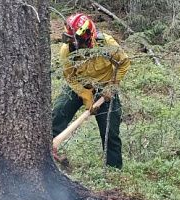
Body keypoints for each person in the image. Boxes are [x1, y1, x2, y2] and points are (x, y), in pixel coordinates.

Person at [52, 13, 130, 169]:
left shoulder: (106, 43)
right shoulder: (67, 50)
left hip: (105, 89)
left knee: (110, 131)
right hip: (80, 85)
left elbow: (124, 63)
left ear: (88, 36)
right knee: (58, 112)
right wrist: (85, 94)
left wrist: (111, 87)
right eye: (73, 41)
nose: (77, 45)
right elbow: (70, 77)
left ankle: (113, 170)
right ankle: (47, 149)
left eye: (79, 41)